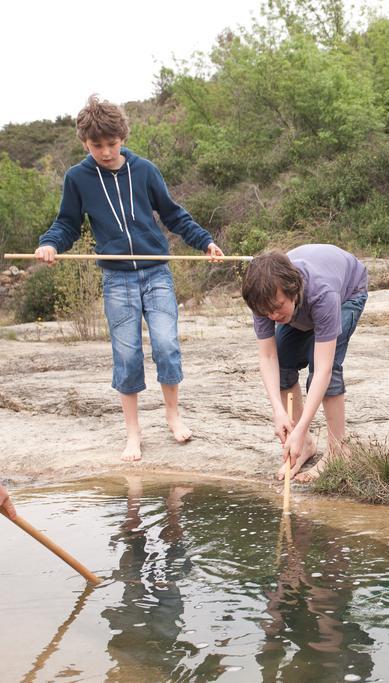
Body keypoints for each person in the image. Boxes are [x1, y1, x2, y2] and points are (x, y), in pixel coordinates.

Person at [35, 95, 224, 462]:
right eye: (96, 146)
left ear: (123, 137)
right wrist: (49, 244)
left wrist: (205, 241)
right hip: (117, 279)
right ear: (84, 143)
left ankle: (173, 416)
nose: (105, 152)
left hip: (156, 272)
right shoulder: (77, 178)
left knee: (167, 345)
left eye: (111, 144)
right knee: (127, 355)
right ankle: (133, 434)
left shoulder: (145, 170)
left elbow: (173, 214)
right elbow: (67, 224)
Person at [242, 247, 368, 483]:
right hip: (303, 304)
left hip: (347, 294)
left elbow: (323, 369)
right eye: (266, 312)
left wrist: (299, 427)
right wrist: (278, 411)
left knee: (322, 363)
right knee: (282, 360)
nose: (272, 316)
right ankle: (306, 444)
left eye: (278, 307)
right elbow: (268, 357)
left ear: (293, 289)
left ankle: (337, 451)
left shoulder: (322, 293)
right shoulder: (264, 298)